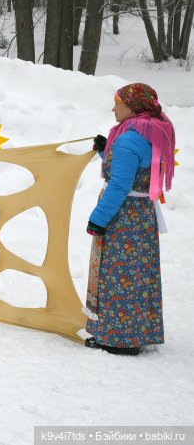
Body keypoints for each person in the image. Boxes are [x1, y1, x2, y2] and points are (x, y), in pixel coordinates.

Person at [84, 83, 175, 356]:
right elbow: (136, 170)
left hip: (122, 216)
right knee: (137, 274)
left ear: (133, 107)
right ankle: (136, 332)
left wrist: (98, 218)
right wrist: (105, 152)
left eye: (118, 103)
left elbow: (120, 185)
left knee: (117, 274)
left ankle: (118, 340)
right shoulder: (152, 130)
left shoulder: (127, 138)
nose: (114, 108)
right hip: (142, 215)